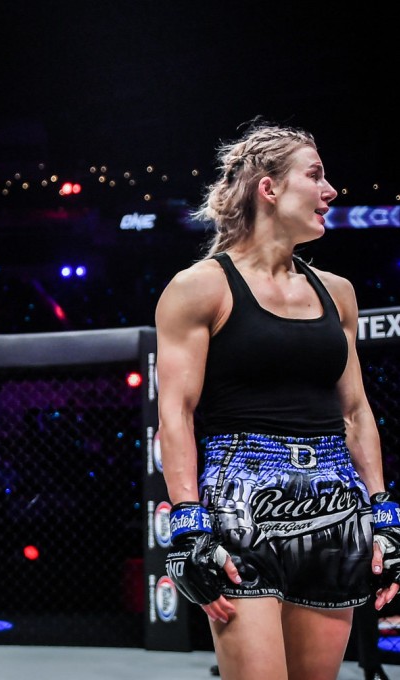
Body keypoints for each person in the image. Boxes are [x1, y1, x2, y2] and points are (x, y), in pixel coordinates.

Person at [155, 118, 400, 680]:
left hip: (335, 508)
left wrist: (385, 514)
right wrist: (189, 526)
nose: (330, 191)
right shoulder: (201, 287)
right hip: (241, 507)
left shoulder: (337, 292)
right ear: (268, 188)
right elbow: (176, 412)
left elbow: (356, 411)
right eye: (315, 176)